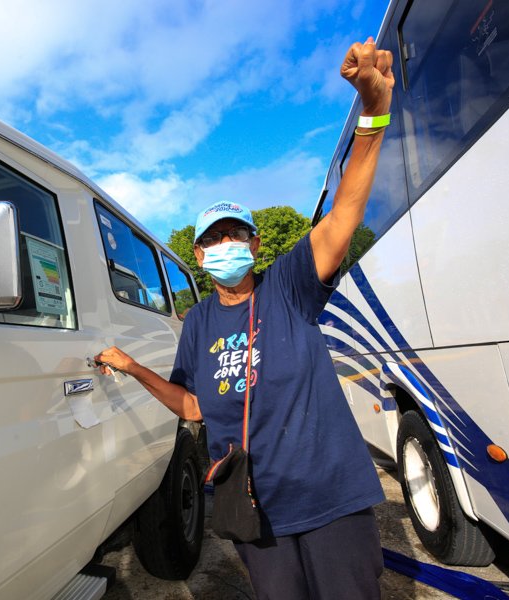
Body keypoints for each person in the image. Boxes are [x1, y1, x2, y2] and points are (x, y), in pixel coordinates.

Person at [94, 38, 394, 599]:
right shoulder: (198, 322)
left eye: (235, 234)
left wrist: (373, 114)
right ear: (199, 255)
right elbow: (193, 406)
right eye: (212, 239)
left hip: (330, 500)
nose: (224, 244)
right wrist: (134, 368)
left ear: (255, 245)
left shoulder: (290, 285)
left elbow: (344, 213)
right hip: (255, 510)